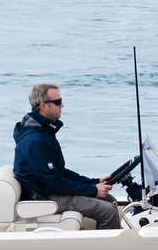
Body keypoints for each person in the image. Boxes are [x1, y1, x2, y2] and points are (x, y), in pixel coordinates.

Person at [13, 84, 121, 230]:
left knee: (109, 200)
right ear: (43, 106)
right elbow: (53, 182)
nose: (62, 105)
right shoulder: (34, 140)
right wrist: (93, 190)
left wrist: (93, 182)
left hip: (49, 189)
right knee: (108, 211)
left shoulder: (43, 131)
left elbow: (59, 172)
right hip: (43, 197)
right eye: (57, 102)